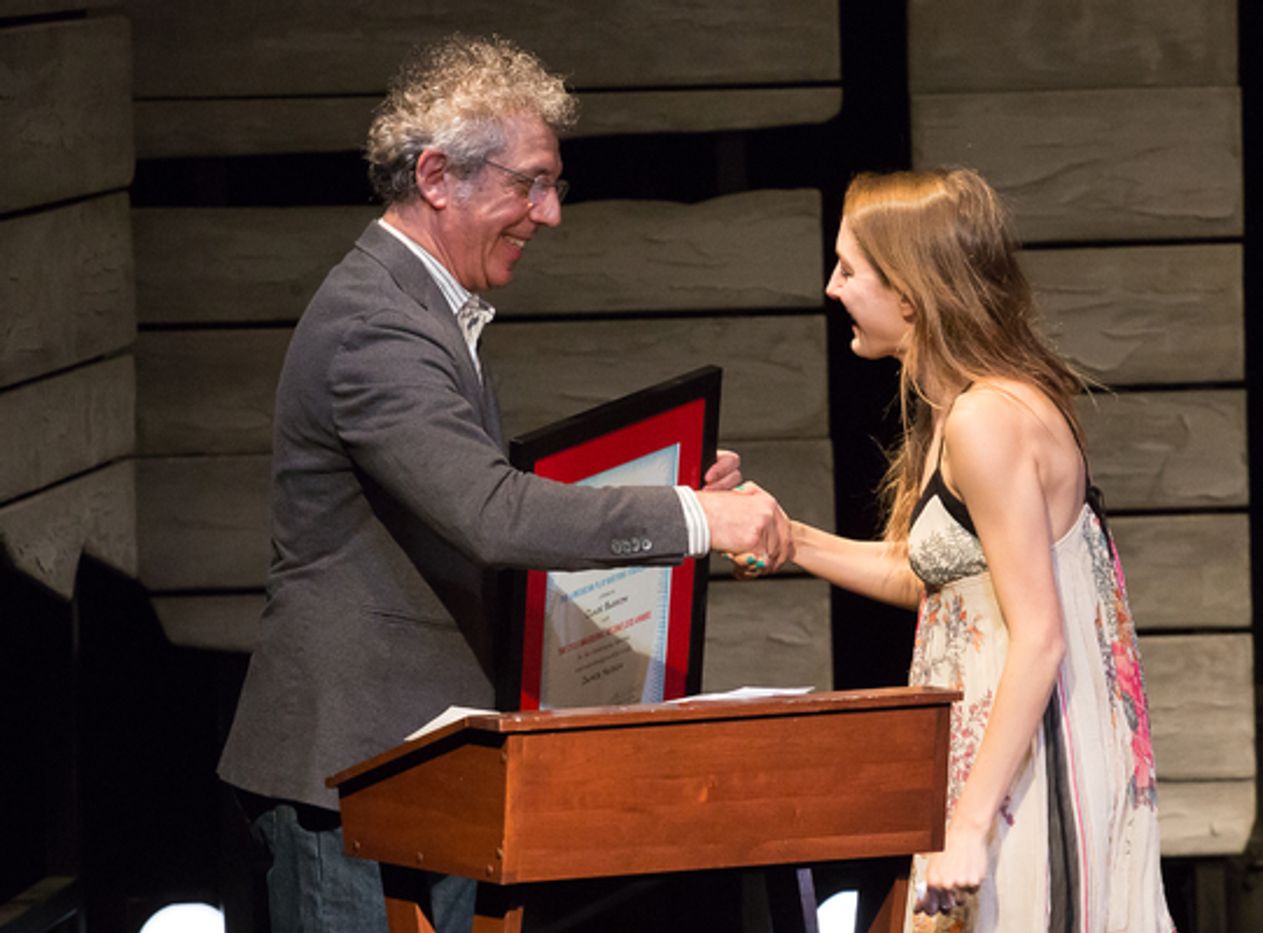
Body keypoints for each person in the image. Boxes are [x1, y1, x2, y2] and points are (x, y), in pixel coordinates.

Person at [216, 34, 791, 932]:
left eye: (551, 184)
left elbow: (481, 489)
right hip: (351, 772)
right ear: (439, 177)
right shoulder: (378, 324)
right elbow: (492, 512)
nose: (550, 212)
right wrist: (696, 517)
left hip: (423, 763)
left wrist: (680, 486)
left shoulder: (424, 310)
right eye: (529, 183)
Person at [737, 168, 1174, 932]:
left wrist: (971, 822)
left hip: (1031, 775)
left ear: (908, 294)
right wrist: (791, 538)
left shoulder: (987, 419)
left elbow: (1039, 635)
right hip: (995, 768)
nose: (832, 287)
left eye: (848, 269)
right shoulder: (962, 407)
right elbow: (938, 578)